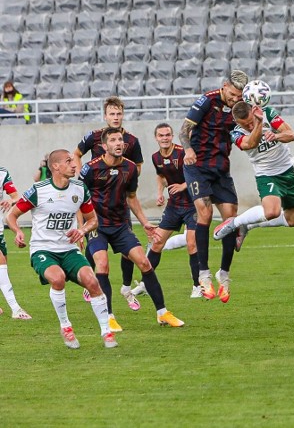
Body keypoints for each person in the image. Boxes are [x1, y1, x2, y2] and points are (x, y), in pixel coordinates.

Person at [5, 150, 115, 348]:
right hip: (43, 250)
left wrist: (82, 231)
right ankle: (66, 326)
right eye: (68, 161)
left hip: (69, 249)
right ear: (55, 166)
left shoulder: (80, 189)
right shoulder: (38, 190)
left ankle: (107, 332)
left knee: (93, 282)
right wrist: (18, 232)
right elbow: (11, 216)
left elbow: (93, 220)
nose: (74, 164)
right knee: (57, 279)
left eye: (73, 161)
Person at [79, 128, 184, 330]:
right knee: (102, 265)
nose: (119, 143)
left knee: (144, 263)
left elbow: (132, 197)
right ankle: (108, 317)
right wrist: (81, 228)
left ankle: (163, 313)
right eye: (113, 140)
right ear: (104, 145)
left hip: (120, 225)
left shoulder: (130, 168)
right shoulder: (90, 169)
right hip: (97, 225)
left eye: (120, 140)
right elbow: (79, 200)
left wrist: (144, 222)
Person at [179, 70, 248, 304]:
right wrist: (188, 149)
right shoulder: (207, 101)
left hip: (221, 168)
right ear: (225, 85)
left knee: (231, 219)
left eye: (239, 95)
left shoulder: (240, 107)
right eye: (232, 93)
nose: (234, 98)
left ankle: (224, 274)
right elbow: (184, 129)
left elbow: (245, 130)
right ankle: (203, 275)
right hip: (197, 166)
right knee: (205, 213)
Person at [73, 96, 144, 311]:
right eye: (112, 114)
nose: (115, 117)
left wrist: (124, 177)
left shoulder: (131, 140)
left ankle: (126, 288)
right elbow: (76, 154)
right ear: (105, 116)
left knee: (128, 251)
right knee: (96, 248)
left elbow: (137, 166)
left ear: (123, 115)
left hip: (119, 205)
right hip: (95, 205)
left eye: (119, 113)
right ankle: (91, 282)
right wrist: (79, 174)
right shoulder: (94, 137)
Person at [212, 100, 294, 248]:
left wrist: (276, 136)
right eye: (245, 124)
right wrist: (258, 123)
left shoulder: (267, 112)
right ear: (236, 121)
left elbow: (291, 135)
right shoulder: (235, 131)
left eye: (251, 122)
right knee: (272, 212)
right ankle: (234, 222)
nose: (249, 126)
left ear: (252, 111)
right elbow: (250, 144)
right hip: (266, 174)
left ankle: (247, 226)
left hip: (288, 171)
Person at [145, 123, 201, 298]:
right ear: (156, 138)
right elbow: (161, 175)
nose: (164, 138)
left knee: (191, 243)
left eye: (167, 135)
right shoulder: (155, 157)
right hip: (174, 206)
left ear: (172, 136)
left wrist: (184, 185)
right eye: (161, 135)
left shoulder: (183, 152)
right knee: (157, 242)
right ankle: (145, 283)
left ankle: (198, 286)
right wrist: (160, 193)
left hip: (192, 203)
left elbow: (199, 173)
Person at [0, 166, 30, 319]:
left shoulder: (2, 173)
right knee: (1, 262)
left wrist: (10, 201)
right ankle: (16, 309)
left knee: (3, 268)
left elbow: (16, 197)